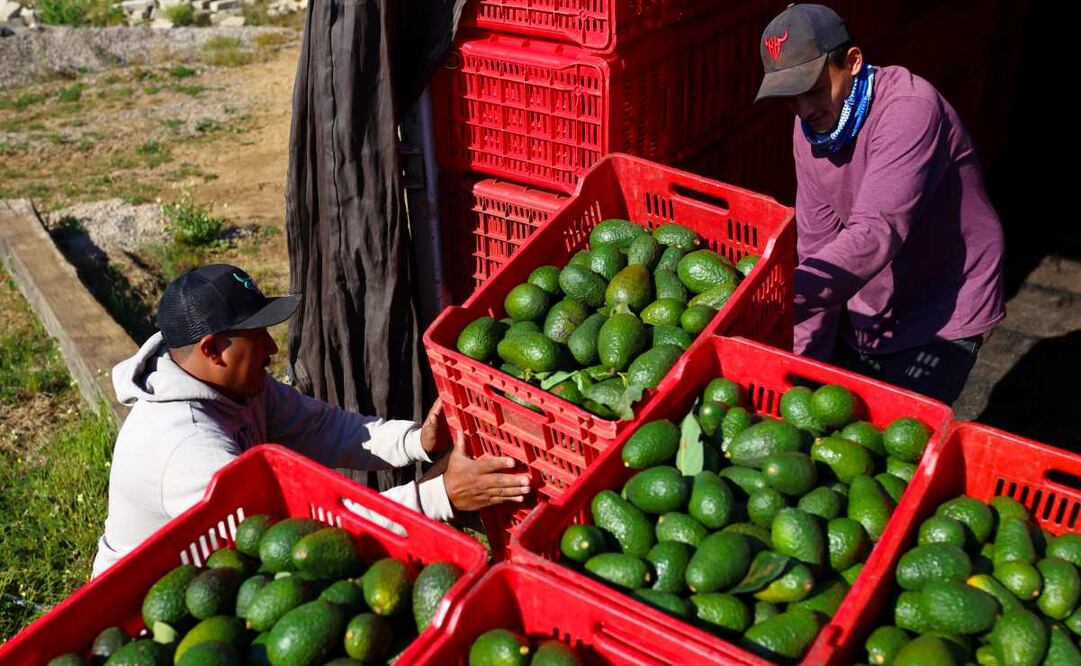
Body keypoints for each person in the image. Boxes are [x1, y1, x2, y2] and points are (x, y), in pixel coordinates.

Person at [92, 264, 530, 577]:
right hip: (150, 613)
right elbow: (299, 542)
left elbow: (321, 428)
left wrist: (418, 441)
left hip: (225, 577)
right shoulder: (187, 450)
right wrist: (439, 497)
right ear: (212, 350)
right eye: (257, 335)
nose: (272, 347)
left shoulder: (237, 388)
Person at [754, 4, 1005, 404]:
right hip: (870, 297)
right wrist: (800, 370)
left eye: (814, 91)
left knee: (903, 435)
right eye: (790, 98)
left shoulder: (909, 109)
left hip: (945, 299)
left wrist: (778, 296)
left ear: (852, 62)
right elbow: (818, 246)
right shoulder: (809, 131)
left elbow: (876, 231)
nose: (803, 110)